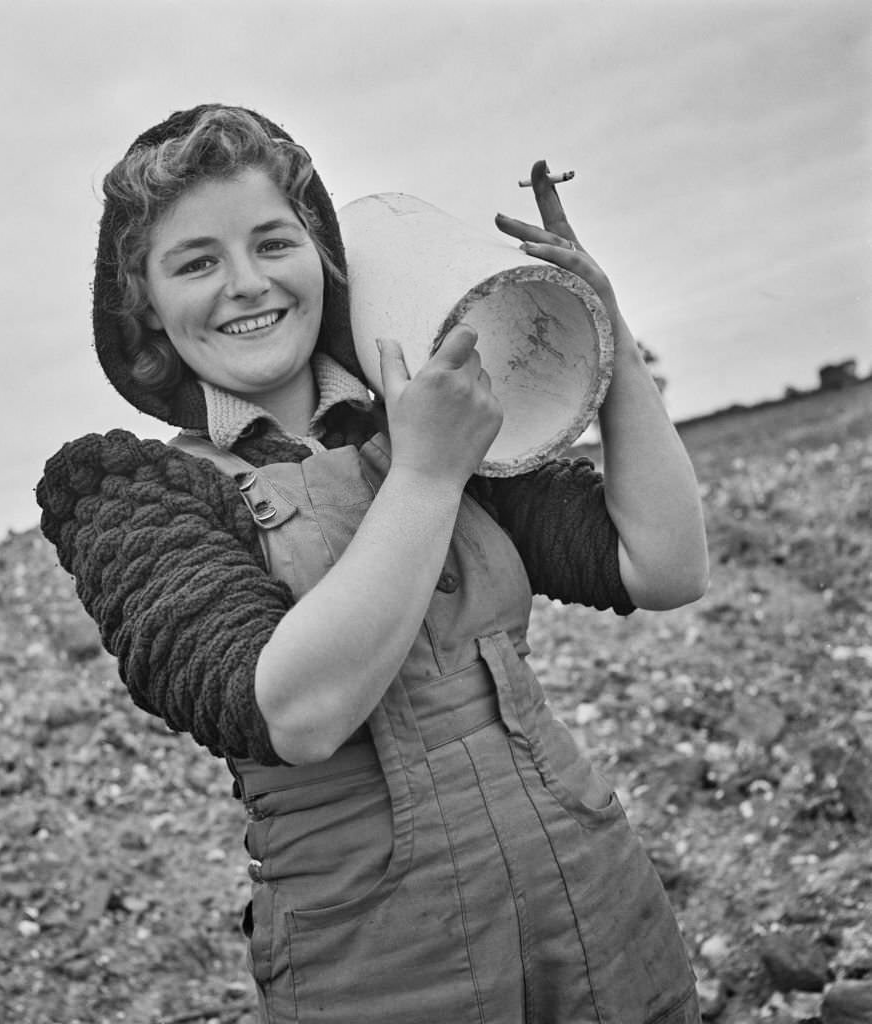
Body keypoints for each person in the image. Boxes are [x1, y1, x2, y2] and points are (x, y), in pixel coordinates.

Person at [37, 103, 709, 1024]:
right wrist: (428, 472)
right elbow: (297, 711)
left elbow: (664, 564)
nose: (246, 283)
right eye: (196, 262)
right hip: (381, 964)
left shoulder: (432, 413)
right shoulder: (128, 491)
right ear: (143, 307)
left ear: (320, 256)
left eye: (274, 243)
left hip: (599, 900)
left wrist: (607, 330)